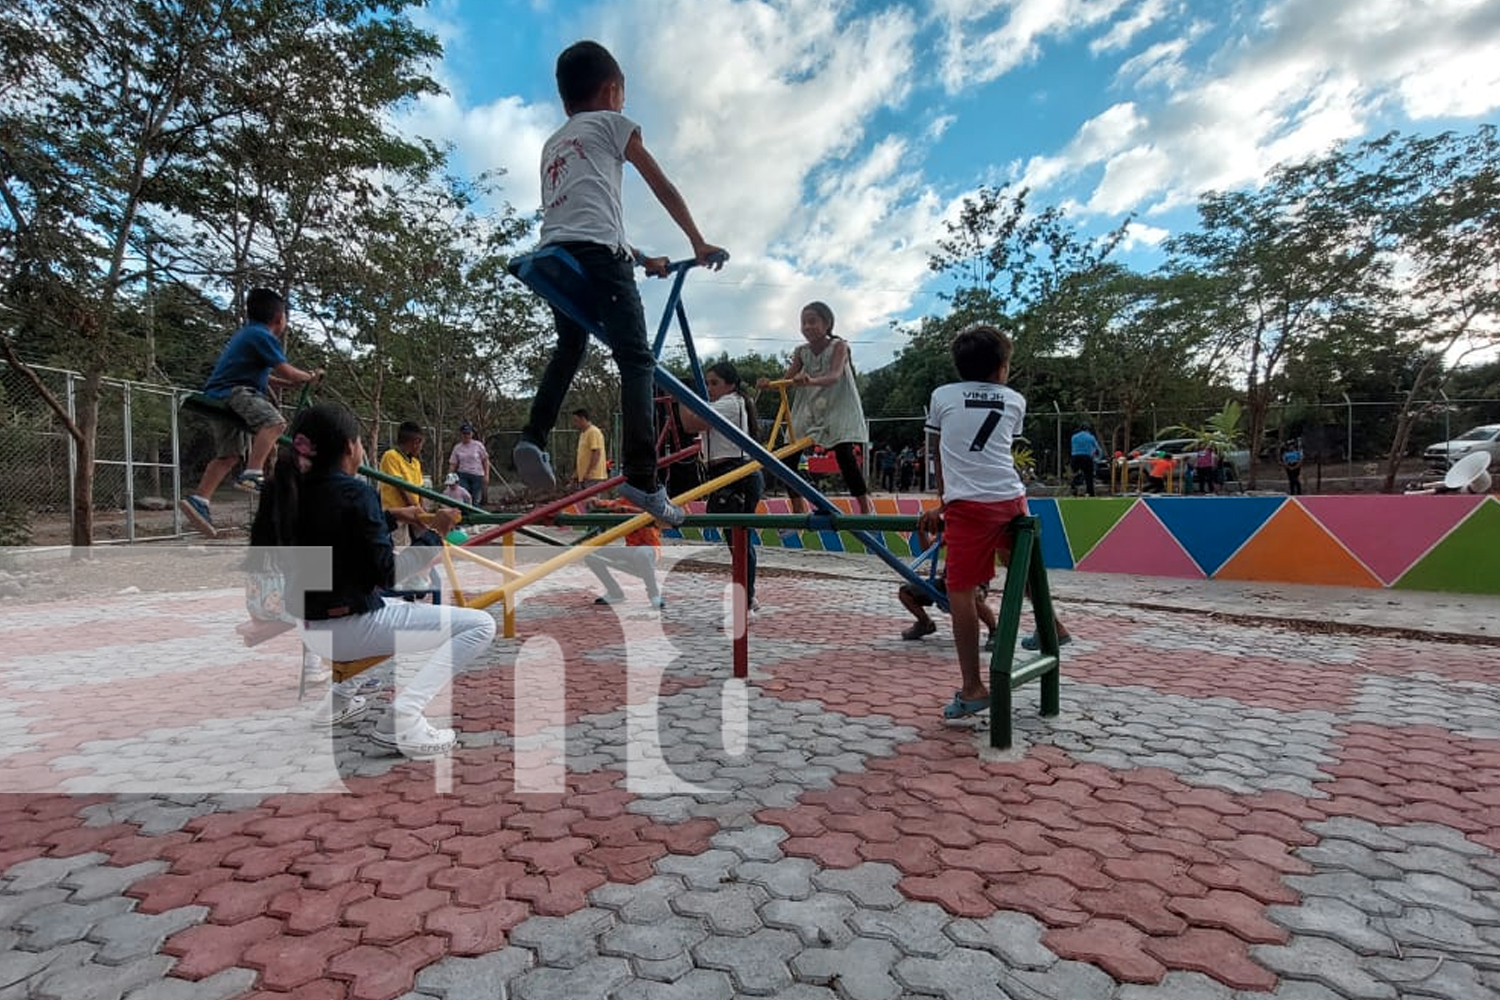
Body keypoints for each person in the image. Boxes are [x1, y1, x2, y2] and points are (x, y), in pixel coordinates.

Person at [510, 40, 724, 526]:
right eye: (623, 96)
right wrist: (698, 240)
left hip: (559, 257)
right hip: (601, 257)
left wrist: (646, 258)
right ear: (613, 91)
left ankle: (532, 437)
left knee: (569, 347)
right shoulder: (613, 123)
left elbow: (586, 213)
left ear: (565, 102)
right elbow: (660, 182)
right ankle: (643, 478)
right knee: (636, 358)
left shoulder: (554, 142)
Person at [249, 403, 496, 758]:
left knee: (395, 610)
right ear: (350, 447)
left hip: (308, 627)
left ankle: (337, 702)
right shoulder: (354, 493)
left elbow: (334, 531)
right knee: (479, 625)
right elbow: (390, 576)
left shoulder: (285, 489)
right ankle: (405, 715)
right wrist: (436, 534)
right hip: (348, 629)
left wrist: (393, 516)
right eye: (362, 443)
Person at [920, 324, 1072, 720]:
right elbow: (996, 444)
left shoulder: (942, 396)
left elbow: (939, 452)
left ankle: (973, 686)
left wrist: (943, 502)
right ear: (1002, 367)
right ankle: (1052, 625)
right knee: (1019, 566)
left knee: (961, 591)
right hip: (1009, 497)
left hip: (968, 505)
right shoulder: (1014, 400)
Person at [180, 288, 323, 537]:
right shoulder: (262, 336)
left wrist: (289, 384)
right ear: (279, 318)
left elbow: (267, 375)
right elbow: (287, 370)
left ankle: (199, 500)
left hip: (222, 394)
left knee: (229, 456)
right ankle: (253, 472)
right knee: (275, 422)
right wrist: (309, 377)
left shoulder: (248, 335)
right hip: (236, 392)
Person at [758, 301, 873, 515]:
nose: (807, 327)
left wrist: (809, 380)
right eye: (803, 323)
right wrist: (769, 385)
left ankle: (866, 509)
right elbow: (787, 379)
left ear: (827, 323)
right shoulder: (801, 352)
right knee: (788, 458)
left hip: (838, 404)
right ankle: (798, 508)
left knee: (845, 455)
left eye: (813, 322)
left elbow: (834, 375)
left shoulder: (839, 346)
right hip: (810, 407)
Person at [678, 360, 765, 613]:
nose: (709, 388)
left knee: (739, 540)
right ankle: (748, 597)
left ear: (731, 384)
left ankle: (746, 599)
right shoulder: (724, 403)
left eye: (714, 383)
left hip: (737, 474)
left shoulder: (730, 403)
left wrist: (682, 397)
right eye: (707, 383)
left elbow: (692, 424)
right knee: (735, 540)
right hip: (726, 473)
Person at [898, 526, 997, 645]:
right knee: (906, 592)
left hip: (974, 581)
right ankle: (925, 623)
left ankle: (994, 631)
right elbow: (928, 548)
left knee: (973, 596)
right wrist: (921, 533)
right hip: (947, 581)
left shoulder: (984, 532)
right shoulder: (954, 530)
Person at [584, 496, 664, 609]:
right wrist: (597, 502)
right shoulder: (626, 498)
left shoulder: (654, 498)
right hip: (630, 548)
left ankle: (654, 595)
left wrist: (629, 509)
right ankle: (614, 592)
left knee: (642, 553)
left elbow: (661, 512)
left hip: (651, 548)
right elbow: (611, 503)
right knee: (591, 554)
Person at [448, 423, 489, 507]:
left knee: (475, 498)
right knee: (464, 495)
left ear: (471, 434)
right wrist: (450, 476)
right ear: (461, 434)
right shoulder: (457, 447)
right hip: (463, 474)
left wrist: (486, 475)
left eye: (468, 433)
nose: (466, 436)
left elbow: (485, 461)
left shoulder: (478, 445)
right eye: (464, 434)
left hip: (477, 475)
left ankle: (475, 516)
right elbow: (453, 463)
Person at [572, 408, 609, 487]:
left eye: (576, 420)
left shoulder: (593, 432)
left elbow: (596, 453)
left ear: (583, 419)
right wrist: (577, 473)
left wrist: (589, 472)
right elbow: (582, 456)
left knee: (591, 498)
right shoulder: (583, 434)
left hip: (593, 476)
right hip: (584, 477)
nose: (575, 423)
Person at [1070, 421, 1103, 497]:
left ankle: (1074, 489)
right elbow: (1098, 449)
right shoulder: (1091, 437)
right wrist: (1098, 459)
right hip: (1086, 457)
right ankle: (1090, 492)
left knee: (1076, 474)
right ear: (1088, 429)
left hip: (1075, 457)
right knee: (1088, 475)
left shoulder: (1074, 437)